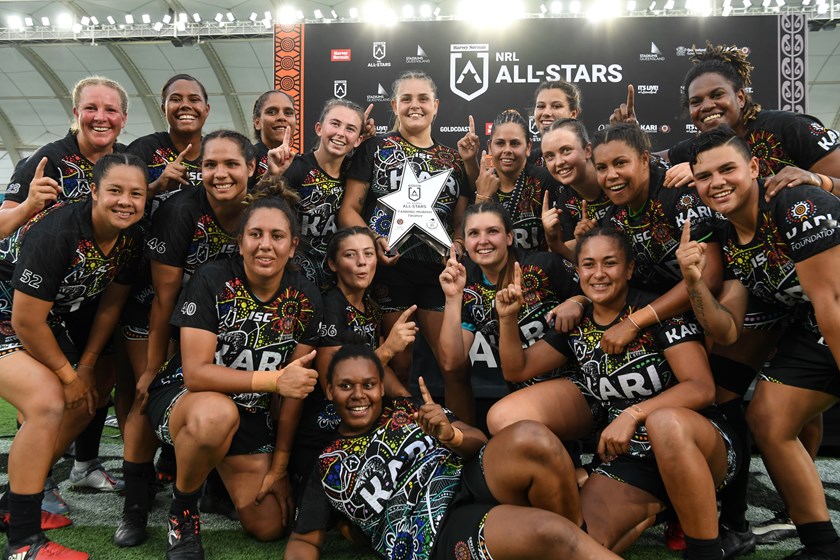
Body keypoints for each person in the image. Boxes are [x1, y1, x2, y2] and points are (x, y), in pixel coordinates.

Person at [486, 227, 738, 560]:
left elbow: (701, 387)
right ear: (577, 272)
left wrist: (635, 414)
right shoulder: (577, 321)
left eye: (610, 263)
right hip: (631, 458)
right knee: (582, 541)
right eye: (588, 265)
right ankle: (659, 508)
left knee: (664, 423)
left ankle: (706, 551)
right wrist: (508, 319)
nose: (599, 274)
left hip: (697, 445)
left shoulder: (653, 312)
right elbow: (517, 370)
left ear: (629, 269)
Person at [120, 182, 323, 559]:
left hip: (250, 410)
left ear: (293, 245)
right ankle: (183, 511)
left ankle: (216, 485)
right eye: (255, 234)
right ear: (240, 240)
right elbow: (197, 373)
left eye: (277, 236)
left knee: (271, 526)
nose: (265, 245)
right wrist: (273, 381)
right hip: (188, 398)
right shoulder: (212, 278)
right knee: (215, 414)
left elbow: (294, 390)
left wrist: (279, 465)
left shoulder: (307, 295)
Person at [285, 344, 621, 560]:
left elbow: (477, 440)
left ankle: (578, 545)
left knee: (533, 436)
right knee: (551, 532)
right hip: (434, 530)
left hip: (467, 475)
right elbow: (304, 542)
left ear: (380, 387)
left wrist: (451, 434)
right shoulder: (327, 466)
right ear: (329, 391)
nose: (359, 395)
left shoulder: (408, 408)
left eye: (368, 385)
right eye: (346, 386)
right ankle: (575, 545)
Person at [677, 126, 840, 559]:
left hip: (835, 315)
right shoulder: (728, 237)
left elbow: (835, 301)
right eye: (705, 176)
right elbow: (727, 330)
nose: (717, 183)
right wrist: (695, 284)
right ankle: (822, 545)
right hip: (813, 326)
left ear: (753, 168)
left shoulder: (793, 202)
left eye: (727, 169)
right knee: (768, 419)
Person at [115, 129, 259, 547]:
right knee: (148, 395)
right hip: (160, 313)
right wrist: (154, 366)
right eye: (210, 164)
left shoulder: (261, 209)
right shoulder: (181, 211)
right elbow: (164, 299)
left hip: (220, 319)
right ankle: (136, 506)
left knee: (217, 401)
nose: (219, 173)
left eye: (231, 163)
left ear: (251, 167)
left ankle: (211, 489)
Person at [0, 153, 147, 560]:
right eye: (115, 191)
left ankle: (13, 503)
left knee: (86, 401)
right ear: (95, 191)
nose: (125, 201)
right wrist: (68, 375)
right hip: (12, 312)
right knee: (48, 400)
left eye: (136, 193)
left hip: (42, 316)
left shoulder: (131, 236)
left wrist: (85, 367)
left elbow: (111, 306)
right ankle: (24, 544)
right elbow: (26, 322)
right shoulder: (59, 231)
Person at [338, 70, 469, 386]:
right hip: (388, 269)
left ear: (435, 105)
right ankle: (397, 428)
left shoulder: (454, 159)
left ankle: (468, 435)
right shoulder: (374, 149)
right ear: (394, 105)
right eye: (406, 99)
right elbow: (349, 210)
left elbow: (462, 221)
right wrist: (374, 242)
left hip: (439, 273)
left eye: (423, 98)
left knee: (454, 366)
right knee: (398, 362)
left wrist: (459, 246)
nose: (416, 105)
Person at [292, 226, 415, 488]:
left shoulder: (370, 306)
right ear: (333, 264)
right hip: (324, 431)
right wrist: (388, 350)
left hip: (360, 421)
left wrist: (409, 403)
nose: (361, 262)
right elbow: (331, 381)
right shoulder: (328, 305)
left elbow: (384, 372)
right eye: (351, 255)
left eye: (369, 254)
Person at [437, 202, 580, 421]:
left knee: (502, 420)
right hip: (521, 395)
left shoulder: (544, 266)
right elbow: (451, 362)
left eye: (492, 231)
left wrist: (580, 300)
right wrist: (453, 298)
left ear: (510, 237)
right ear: (464, 243)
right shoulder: (468, 286)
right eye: (474, 233)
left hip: (574, 384)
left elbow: (599, 299)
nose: (483, 240)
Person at [0, 76, 129, 238]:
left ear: (123, 118)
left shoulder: (130, 161)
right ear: (76, 114)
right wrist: (28, 206)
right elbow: (1, 228)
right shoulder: (47, 159)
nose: (100, 117)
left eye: (111, 110)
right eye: (90, 108)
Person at [276, 99, 366, 291]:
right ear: (319, 128)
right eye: (335, 124)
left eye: (350, 129)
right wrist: (273, 176)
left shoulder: (355, 175)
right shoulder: (295, 168)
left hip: (337, 281)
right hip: (294, 278)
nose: (341, 133)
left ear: (358, 140)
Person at [473, 109, 562, 252]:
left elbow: (559, 244)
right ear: (490, 147)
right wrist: (483, 197)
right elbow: (475, 241)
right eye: (500, 143)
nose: (507, 150)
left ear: (528, 147)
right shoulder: (482, 183)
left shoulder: (545, 180)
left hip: (537, 270)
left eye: (514, 143)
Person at [540, 118, 613, 261]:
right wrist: (553, 239)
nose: (559, 162)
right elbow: (572, 259)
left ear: (587, 150)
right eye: (550, 156)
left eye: (566, 150)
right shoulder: (565, 201)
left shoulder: (614, 176)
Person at [529, 80, 582, 167]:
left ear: (573, 114)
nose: (546, 113)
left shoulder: (588, 159)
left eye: (556, 106)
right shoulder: (528, 161)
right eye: (541, 106)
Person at [251, 90, 298, 185]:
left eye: (288, 112)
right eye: (272, 112)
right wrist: (270, 176)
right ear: (257, 123)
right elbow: (242, 199)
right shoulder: (247, 158)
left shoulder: (301, 163)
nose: (281, 117)